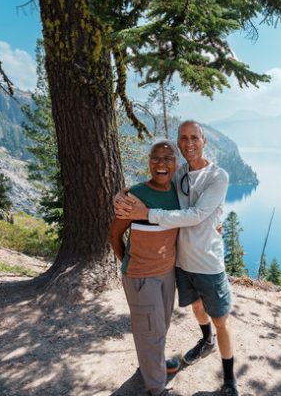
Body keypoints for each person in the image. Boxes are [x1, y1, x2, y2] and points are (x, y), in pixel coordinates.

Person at [114, 120, 238, 396]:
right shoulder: (179, 172)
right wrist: (121, 196)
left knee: (220, 320)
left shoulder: (218, 176)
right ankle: (204, 343)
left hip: (208, 264)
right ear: (179, 143)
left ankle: (229, 380)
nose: (189, 143)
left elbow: (194, 215)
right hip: (181, 264)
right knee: (192, 309)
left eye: (195, 137)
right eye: (184, 138)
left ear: (204, 141)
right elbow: (155, 182)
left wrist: (147, 214)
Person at [109, 139, 182, 396]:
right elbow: (114, 236)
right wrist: (130, 265)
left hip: (167, 272)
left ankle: (154, 364)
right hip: (141, 276)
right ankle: (157, 388)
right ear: (149, 162)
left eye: (168, 158)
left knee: (160, 325)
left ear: (176, 163)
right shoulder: (135, 195)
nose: (161, 163)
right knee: (149, 330)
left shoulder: (179, 194)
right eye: (156, 158)